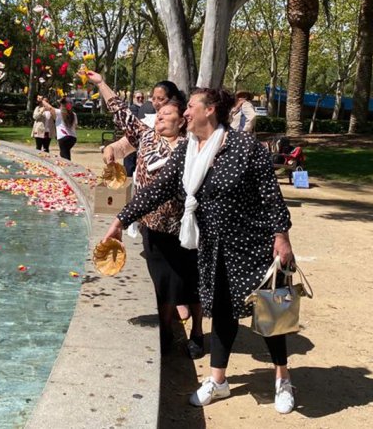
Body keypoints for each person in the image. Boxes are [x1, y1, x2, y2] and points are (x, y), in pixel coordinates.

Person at [102, 88, 298, 414]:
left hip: (252, 243)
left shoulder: (244, 147)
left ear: (210, 111)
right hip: (213, 246)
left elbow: (271, 197)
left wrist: (282, 237)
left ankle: (282, 378)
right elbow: (160, 188)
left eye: (191, 106)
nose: (185, 112)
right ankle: (218, 380)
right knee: (222, 312)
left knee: (269, 311)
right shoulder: (189, 151)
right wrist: (122, 221)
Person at [87, 70, 204, 357]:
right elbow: (121, 112)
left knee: (192, 284)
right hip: (152, 225)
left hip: (188, 227)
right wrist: (102, 83)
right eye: (158, 112)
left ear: (182, 120)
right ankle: (165, 334)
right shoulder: (145, 136)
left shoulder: (193, 146)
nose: (159, 116)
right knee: (162, 283)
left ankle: (199, 333)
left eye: (166, 113)